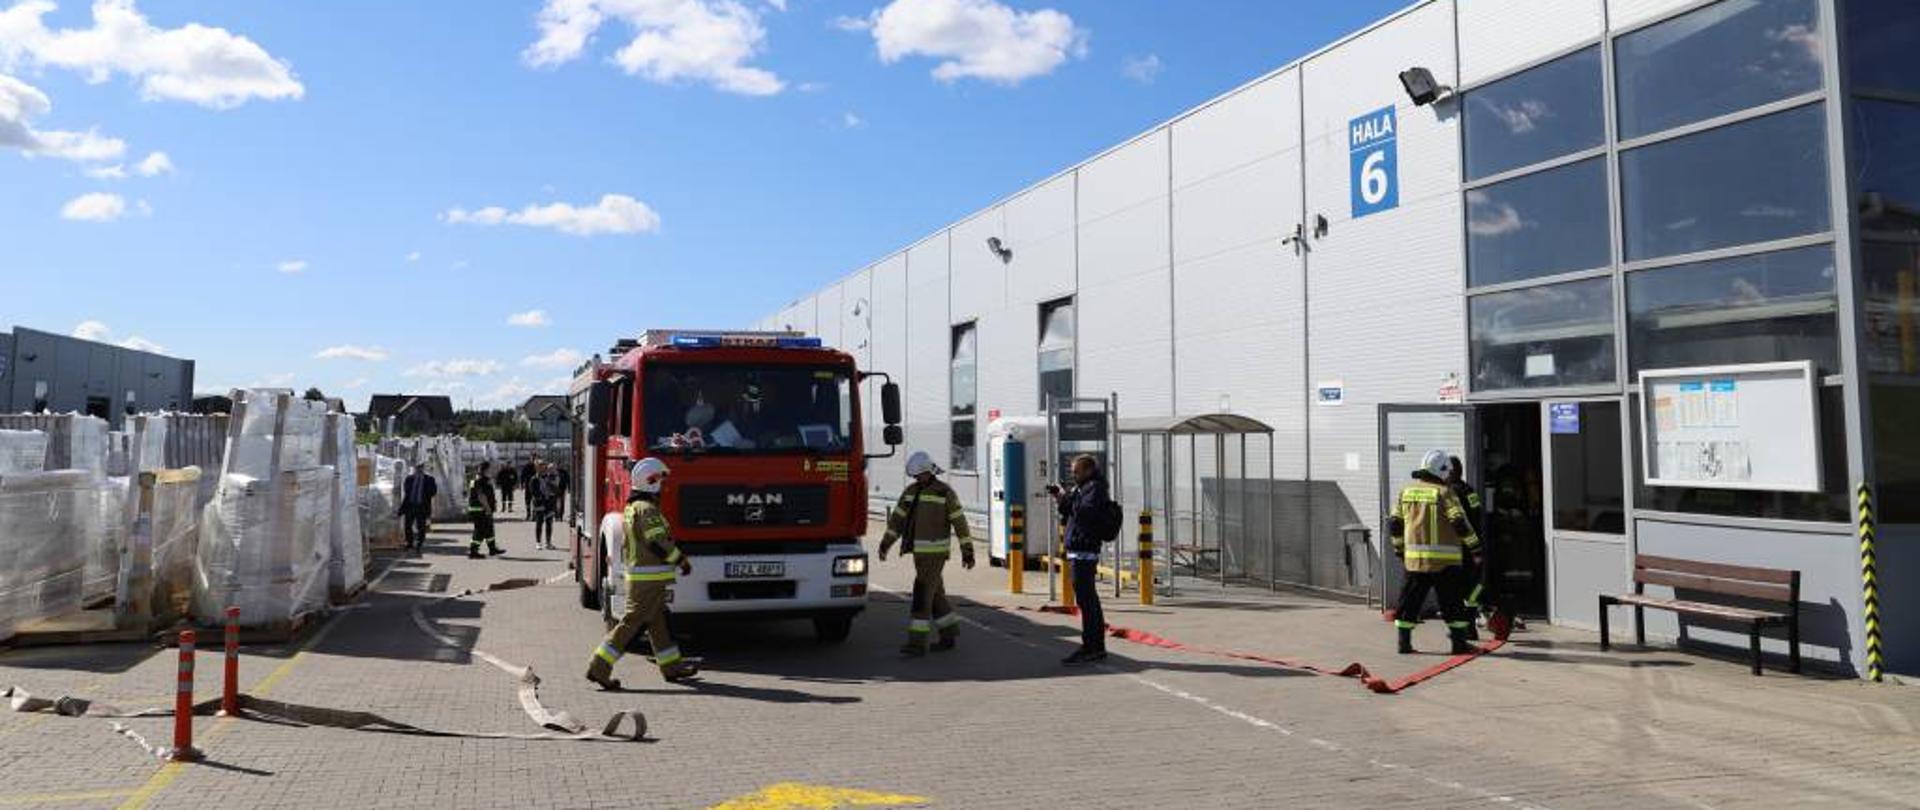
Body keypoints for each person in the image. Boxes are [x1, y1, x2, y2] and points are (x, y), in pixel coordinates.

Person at [586, 457, 698, 689]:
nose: (663, 486)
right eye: (660, 480)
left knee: (658, 623)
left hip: (645, 577)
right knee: (631, 623)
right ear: (651, 482)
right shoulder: (647, 509)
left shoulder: (634, 507)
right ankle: (599, 666)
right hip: (648, 578)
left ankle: (671, 667)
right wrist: (681, 561)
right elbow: (657, 542)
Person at [877, 451, 974, 656]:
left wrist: (968, 550)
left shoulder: (944, 493)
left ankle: (917, 644)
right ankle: (949, 635)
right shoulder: (911, 492)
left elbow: (960, 522)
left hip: (935, 554)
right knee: (936, 595)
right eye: (915, 477)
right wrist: (886, 543)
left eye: (920, 475)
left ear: (929, 472)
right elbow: (897, 521)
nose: (917, 479)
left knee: (921, 595)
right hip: (918, 554)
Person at [1388, 450, 1483, 655]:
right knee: (1452, 603)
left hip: (1414, 562)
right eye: (1447, 472)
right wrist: (1475, 548)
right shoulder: (1444, 492)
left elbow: (1395, 524)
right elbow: (1460, 523)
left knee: (1409, 602)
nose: (1449, 476)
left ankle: (1404, 643)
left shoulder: (1405, 492)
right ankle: (1458, 644)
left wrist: (1399, 550)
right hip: (1445, 564)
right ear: (1441, 470)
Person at [1053, 455, 1113, 666]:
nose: (1074, 475)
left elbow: (1084, 513)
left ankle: (1091, 647)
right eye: (1073, 471)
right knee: (1088, 601)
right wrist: (1061, 498)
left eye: (1077, 471)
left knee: (1087, 602)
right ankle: (1095, 646)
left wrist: (1072, 500)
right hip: (1078, 551)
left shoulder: (1094, 488)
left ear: (1088, 471)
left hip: (1085, 552)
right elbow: (1071, 511)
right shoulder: (1083, 488)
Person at [1446, 456, 1488, 640]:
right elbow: (1478, 515)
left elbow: (1456, 522)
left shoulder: (1451, 493)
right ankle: (1470, 626)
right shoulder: (1470, 490)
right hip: (1475, 544)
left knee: (1456, 590)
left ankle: (1462, 628)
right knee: (1473, 588)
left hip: (1460, 547)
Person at [397, 462, 437, 554]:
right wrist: (402, 508)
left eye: (420, 468)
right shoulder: (409, 479)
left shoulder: (429, 479)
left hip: (422, 506)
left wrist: (426, 491)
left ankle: (419, 543)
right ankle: (409, 542)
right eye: (417, 468)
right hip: (410, 505)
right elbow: (407, 493)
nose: (419, 469)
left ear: (423, 469)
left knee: (421, 526)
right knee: (408, 525)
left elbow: (433, 492)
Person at [467, 462, 503, 559]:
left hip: (484, 509)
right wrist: (487, 508)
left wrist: (492, 505)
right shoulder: (478, 481)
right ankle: (473, 551)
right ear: (485, 470)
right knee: (480, 531)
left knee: (489, 529)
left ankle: (492, 549)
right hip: (479, 510)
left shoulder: (485, 480)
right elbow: (481, 496)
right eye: (490, 469)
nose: (492, 471)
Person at [528, 462, 561, 550]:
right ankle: (538, 542)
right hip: (539, 503)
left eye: (544, 467)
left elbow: (556, 490)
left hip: (549, 503)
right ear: (537, 468)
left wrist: (551, 485)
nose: (543, 469)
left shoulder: (549, 478)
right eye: (540, 467)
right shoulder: (534, 479)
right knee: (539, 522)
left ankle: (548, 542)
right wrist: (540, 497)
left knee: (549, 523)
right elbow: (533, 491)